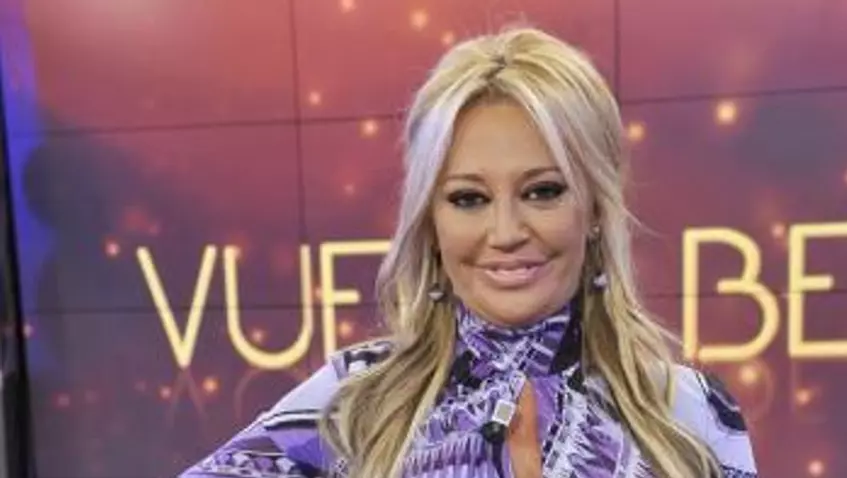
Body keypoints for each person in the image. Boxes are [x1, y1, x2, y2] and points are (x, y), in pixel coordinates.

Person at [180, 27, 757, 478]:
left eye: (542, 191)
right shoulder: (355, 402)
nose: (505, 231)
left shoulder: (690, 414)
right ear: (430, 222)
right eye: (468, 198)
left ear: (597, 210)